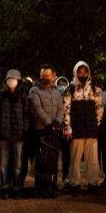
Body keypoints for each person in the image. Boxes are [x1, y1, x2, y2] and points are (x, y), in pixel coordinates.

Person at [64, 61, 103, 192]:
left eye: (84, 72)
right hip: (77, 129)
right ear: (76, 73)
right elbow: (66, 110)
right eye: (80, 72)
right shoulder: (70, 89)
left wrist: (96, 124)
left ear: (88, 73)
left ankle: (93, 183)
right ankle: (74, 183)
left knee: (93, 159)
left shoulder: (95, 89)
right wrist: (67, 128)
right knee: (75, 159)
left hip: (91, 129)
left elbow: (99, 109)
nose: (82, 74)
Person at [29, 65, 65, 197]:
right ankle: (40, 187)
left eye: (47, 76)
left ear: (53, 76)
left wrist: (57, 122)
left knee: (53, 160)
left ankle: (51, 185)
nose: (45, 78)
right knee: (41, 160)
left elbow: (61, 109)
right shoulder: (34, 90)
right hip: (41, 130)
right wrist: (49, 123)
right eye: (42, 76)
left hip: (54, 130)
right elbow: (37, 109)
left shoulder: (56, 92)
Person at [0, 69, 29, 198]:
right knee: (3, 164)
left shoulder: (23, 97)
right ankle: (5, 188)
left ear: (18, 81)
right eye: (9, 79)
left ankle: (17, 188)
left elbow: (27, 115)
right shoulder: (1, 96)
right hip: (3, 136)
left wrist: (24, 129)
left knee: (18, 164)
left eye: (13, 79)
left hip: (19, 136)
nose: (11, 81)